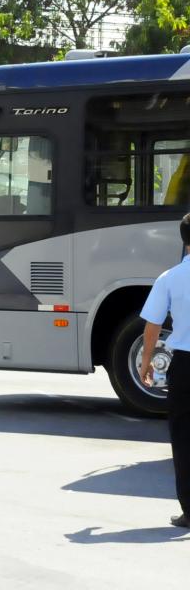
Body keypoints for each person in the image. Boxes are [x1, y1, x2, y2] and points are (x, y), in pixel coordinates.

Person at [139, 212, 190, 529]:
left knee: (184, 438)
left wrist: (146, 363)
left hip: (185, 365)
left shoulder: (170, 278)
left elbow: (152, 327)